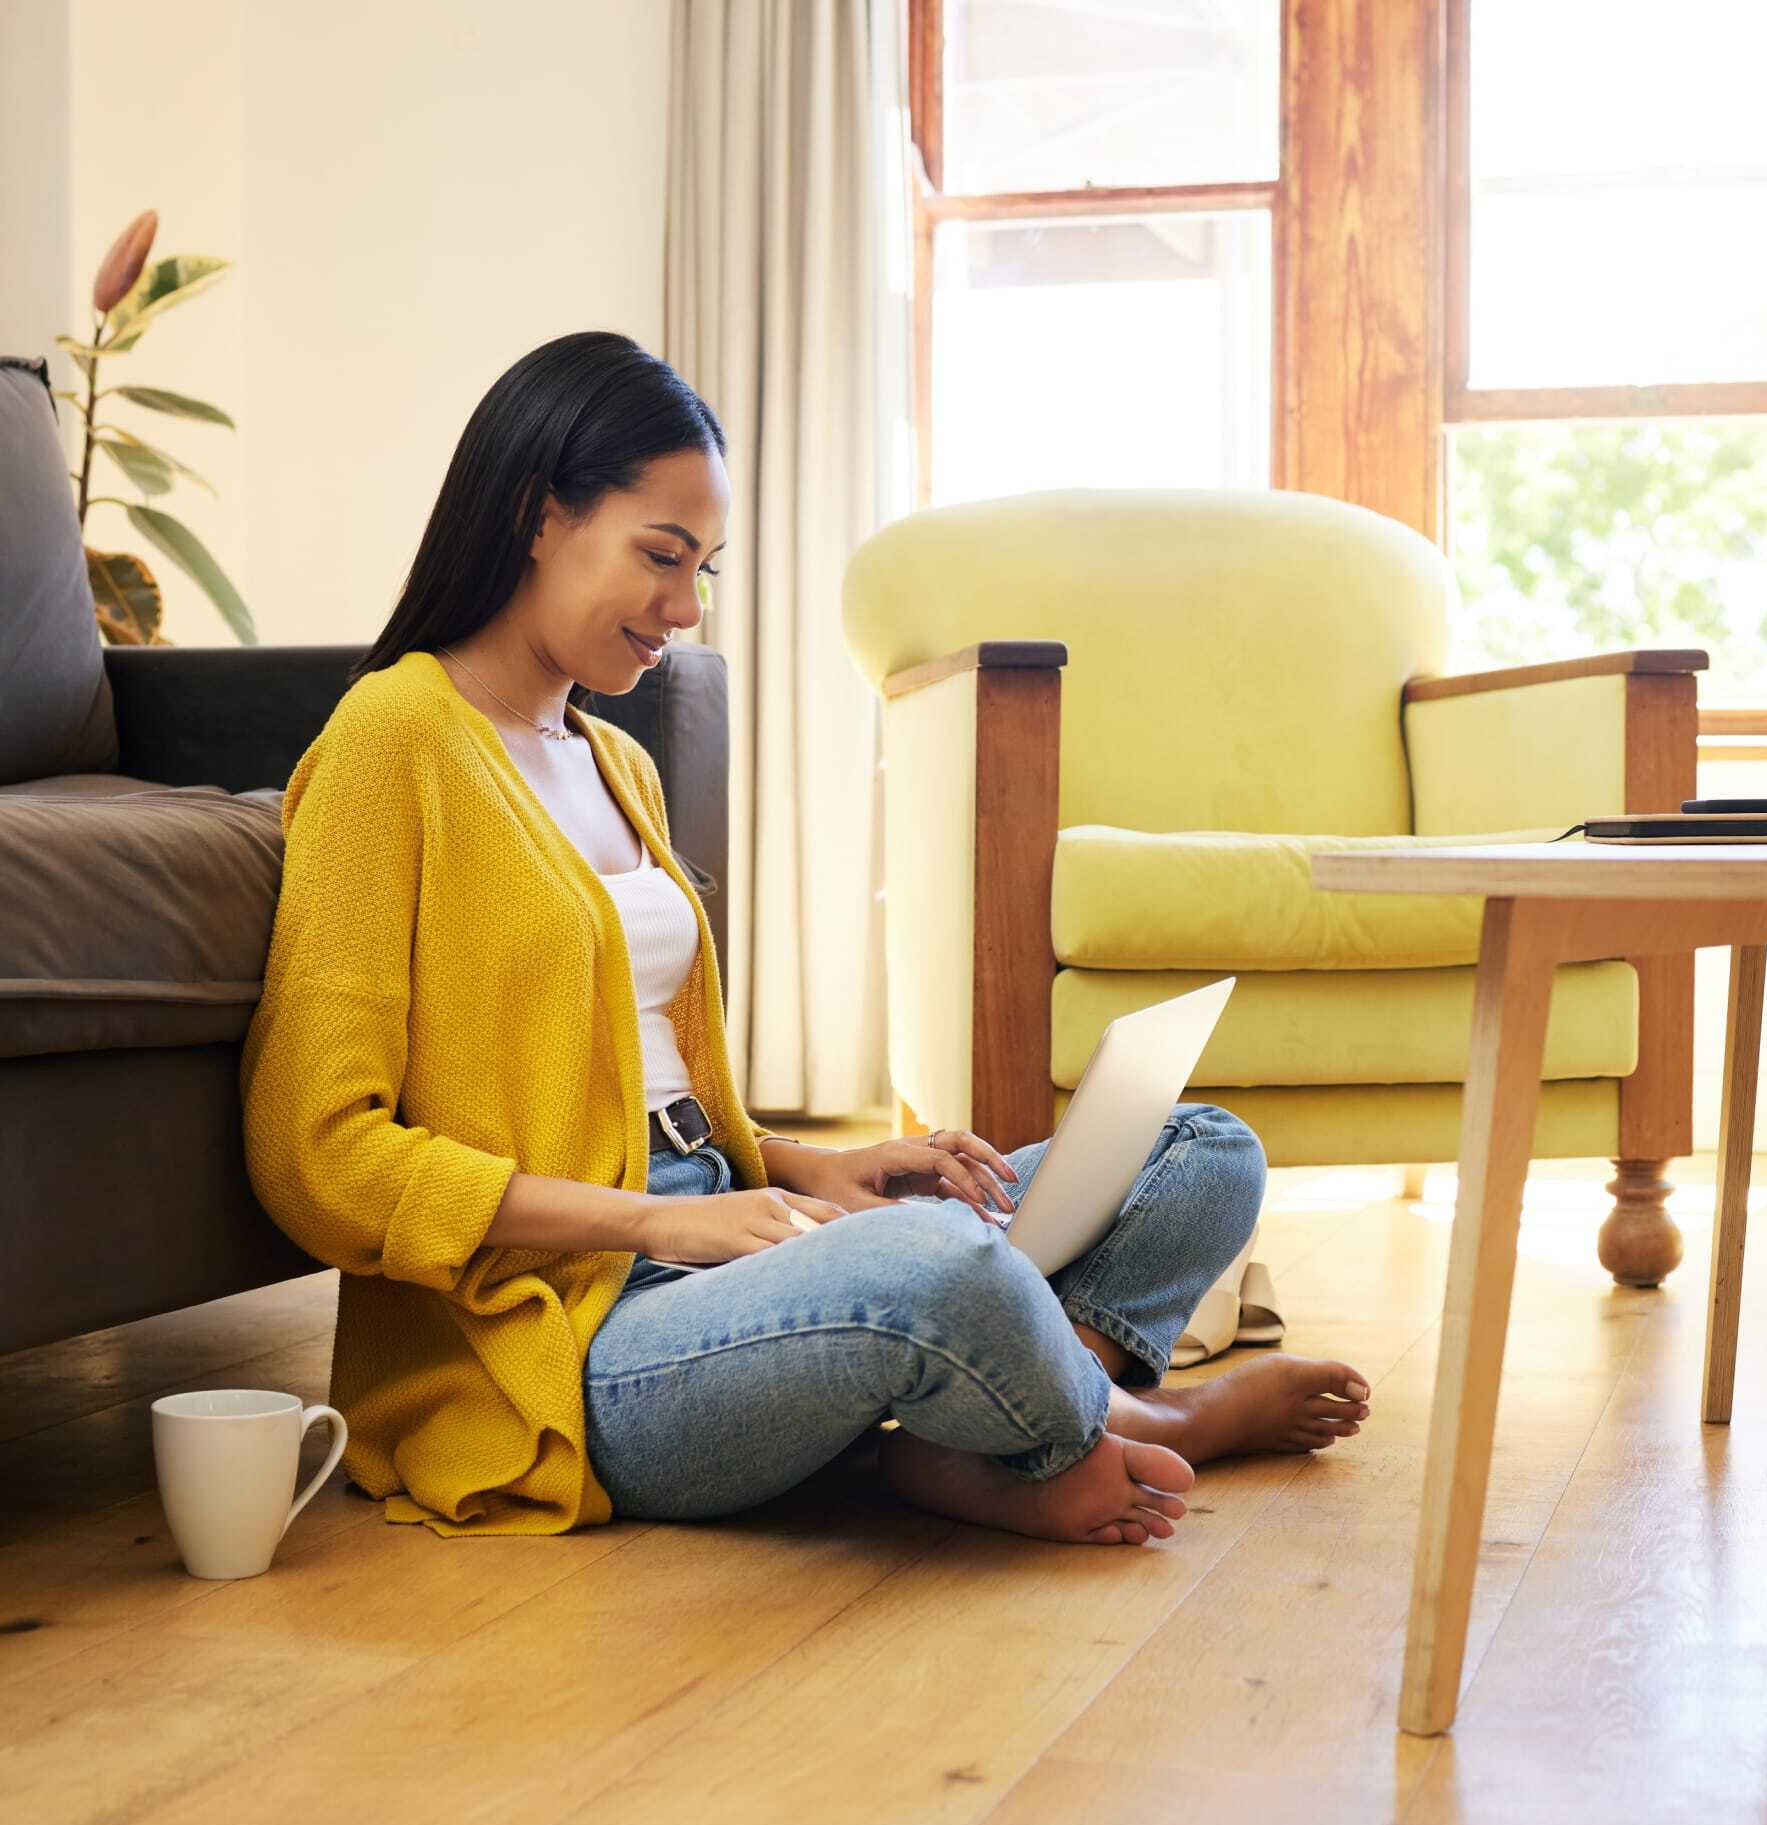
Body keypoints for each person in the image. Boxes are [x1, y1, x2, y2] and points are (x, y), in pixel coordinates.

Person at [239, 331, 1370, 1548]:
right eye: (661, 557)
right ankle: (1140, 1420)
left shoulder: (616, 762)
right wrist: (659, 1224)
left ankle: (978, 1433)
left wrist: (804, 1169)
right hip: (583, 1336)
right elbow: (318, 1158)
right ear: (535, 514)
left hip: (739, 1230)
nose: (685, 608)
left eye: (704, 567)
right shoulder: (390, 743)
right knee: (936, 1269)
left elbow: (640, 1092)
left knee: (1203, 1152)